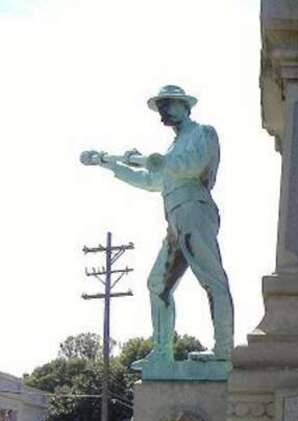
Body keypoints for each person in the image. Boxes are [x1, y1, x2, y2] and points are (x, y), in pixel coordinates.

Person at [83, 85, 234, 369]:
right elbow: (152, 181)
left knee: (212, 278)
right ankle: (162, 352)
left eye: (169, 104)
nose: (164, 111)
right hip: (174, 217)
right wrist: (110, 164)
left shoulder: (202, 133)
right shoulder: (172, 147)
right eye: (160, 106)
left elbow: (191, 165)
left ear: (185, 106)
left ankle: (224, 349)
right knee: (157, 284)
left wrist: (156, 161)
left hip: (195, 209)